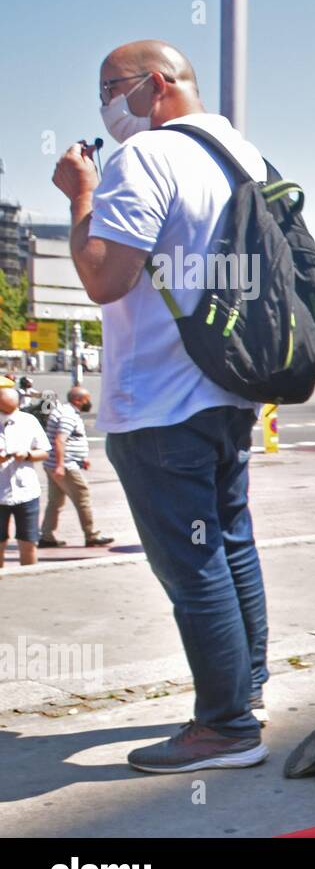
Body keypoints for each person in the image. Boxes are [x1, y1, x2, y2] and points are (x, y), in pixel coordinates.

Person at [51, 39, 270, 771]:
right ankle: (248, 688)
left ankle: (225, 726)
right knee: (231, 539)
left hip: (159, 399)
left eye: (111, 89)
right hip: (228, 387)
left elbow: (106, 279)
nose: (107, 108)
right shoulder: (245, 156)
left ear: (155, 85)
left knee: (192, 563)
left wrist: (82, 193)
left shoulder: (145, 159)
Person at [38, 386, 114, 549]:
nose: (89, 402)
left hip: (55, 464)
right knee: (82, 496)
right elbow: (60, 440)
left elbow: (69, 439)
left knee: (55, 501)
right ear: (78, 400)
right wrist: (60, 466)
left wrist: (81, 458)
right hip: (64, 465)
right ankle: (91, 535)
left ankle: (47, 536)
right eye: (87, 399)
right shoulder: (68, 415)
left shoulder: (65, 411)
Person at [0, 386, 51, 568]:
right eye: (5, 410)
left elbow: (44, 451)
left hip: (26, 491)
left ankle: (29, 578)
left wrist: (28, 454)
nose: (10, 415)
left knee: (29, 541)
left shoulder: (28, 421)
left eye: (13, 409)